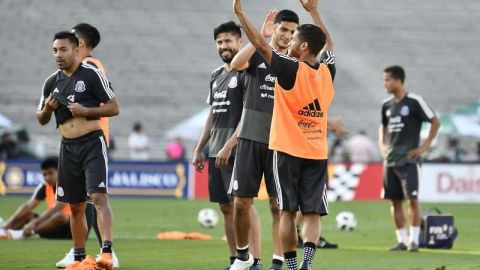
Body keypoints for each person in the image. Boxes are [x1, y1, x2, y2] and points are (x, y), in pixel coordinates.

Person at [233, 0, 336, 269]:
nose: (289, 42)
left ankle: (290, 267)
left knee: (288, 211)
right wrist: (314, 12)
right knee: (313, 212)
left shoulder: (290, 70)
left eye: (295, 39)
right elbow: (329, 46)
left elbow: (260, 44)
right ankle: (307, 264)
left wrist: (241, 15)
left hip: (288, 152)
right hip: (317, 152)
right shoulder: (327, 72)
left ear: (302, 47)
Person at [36, 31, 119, 269]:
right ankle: (80, 258)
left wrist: (86, 111)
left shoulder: (91, 74)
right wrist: (48, 111)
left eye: (63, 49)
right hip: (67, 147)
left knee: (98, 197)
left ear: (75, 50)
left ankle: (107, 253)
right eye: (54, 50)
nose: (58, 55)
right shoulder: (51, 82)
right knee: (75, 205)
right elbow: (40, 118)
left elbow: (114, 107)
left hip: (92, 142)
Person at [229, 9, 300, 270]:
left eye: (292, 32)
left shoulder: (295, 61)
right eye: (283, 30)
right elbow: (236, 65)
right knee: (241, 203)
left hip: (280, 141)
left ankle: (278, 261)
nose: (287, 36)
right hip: (249, 137)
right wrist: (261, 36)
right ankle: (243, 255)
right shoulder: (258, 53)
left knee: (277, 205)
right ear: (275, 28)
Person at [192, 21, 262, 270]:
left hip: (237, 150)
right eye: (220, 42)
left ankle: (254, 259)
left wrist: (230, 145)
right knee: (225, 206)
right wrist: (200, 147)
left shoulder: (246, 72)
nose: (224, 46)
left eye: (228, 41)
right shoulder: (216, 75)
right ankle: (235, 259)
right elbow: (212, 114)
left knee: (243, 204)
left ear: (240, 42)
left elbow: (248, 113)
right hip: (215, 150)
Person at [379, 65, 440, 252]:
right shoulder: (386, 105)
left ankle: (414, 241)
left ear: (398, 80)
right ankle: (402, 241)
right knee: (394, 201)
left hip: (409, 161)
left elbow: (435, 121)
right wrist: (382, 146)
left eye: (388, 80)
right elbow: (383, 127)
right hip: (390, 161)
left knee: (412, 200)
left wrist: (424, 147)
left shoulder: (414, 101)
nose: (385, 84)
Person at [0, 157, 73, 240]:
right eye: (44, 174)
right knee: (27, 214)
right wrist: (7, 224)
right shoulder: (45, 186)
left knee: (60, 215)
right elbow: (28, 206)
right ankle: (4, 230)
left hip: (69, 230)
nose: (47, 177)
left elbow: (57, 207)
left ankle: (23, 233)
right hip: (49, 227)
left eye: (50, 173)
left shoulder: (68, 183)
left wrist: (34, 222)